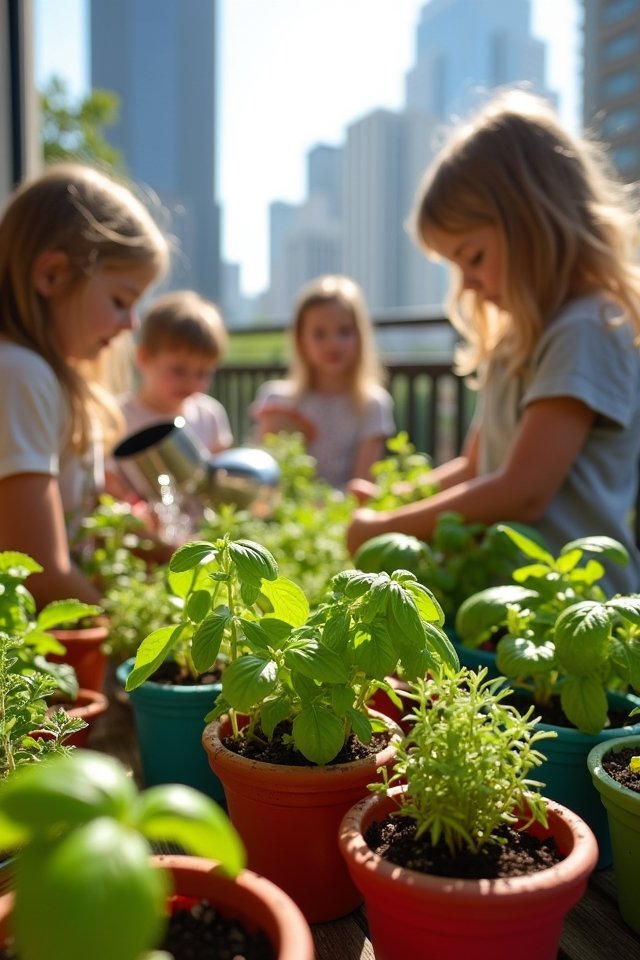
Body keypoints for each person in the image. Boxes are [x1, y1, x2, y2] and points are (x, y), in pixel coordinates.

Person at [347, 89, 640, 595]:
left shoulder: (586, 329)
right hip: (510, 605)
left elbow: (523, 492)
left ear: (534, 222)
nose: (467, 284)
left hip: (575, 609)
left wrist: (382, 529)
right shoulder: (517, 339)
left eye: (474, 257)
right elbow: (476, 468)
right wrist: (399, 499)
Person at [0, 163, 169, 607]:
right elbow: (37, 571)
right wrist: (131, 629)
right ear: (51, 276)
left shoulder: (42, 376)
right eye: (120, 301)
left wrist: (165, 553)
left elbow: (80, 527)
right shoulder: (19, 374)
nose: (131, 324)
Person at [251, 274, 395, 489]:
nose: (333, 343)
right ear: (301, 341)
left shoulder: (374, 404)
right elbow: (261, 479)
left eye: (344, 331)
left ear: (360, 336)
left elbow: (363, 485)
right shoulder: (276, 399)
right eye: (319, 334)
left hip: (345, 509)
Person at [117, 289, 233, 454]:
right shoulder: (117, 417)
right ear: (144, 358)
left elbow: (220, 463)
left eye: (203, 372)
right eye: (179, 370)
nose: (191, 382)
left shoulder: (209, 415)